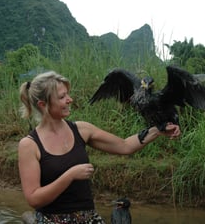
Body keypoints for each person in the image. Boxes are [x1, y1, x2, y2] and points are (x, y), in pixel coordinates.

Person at [18, 71, 181, 224]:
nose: (70, 99)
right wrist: (70, 175)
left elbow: (125, 146)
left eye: (67, 94)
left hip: (89, 219)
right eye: (62, 97)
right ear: (43, 104)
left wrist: (158, 130)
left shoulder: (81, 130)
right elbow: (34, 199)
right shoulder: (29, 145)